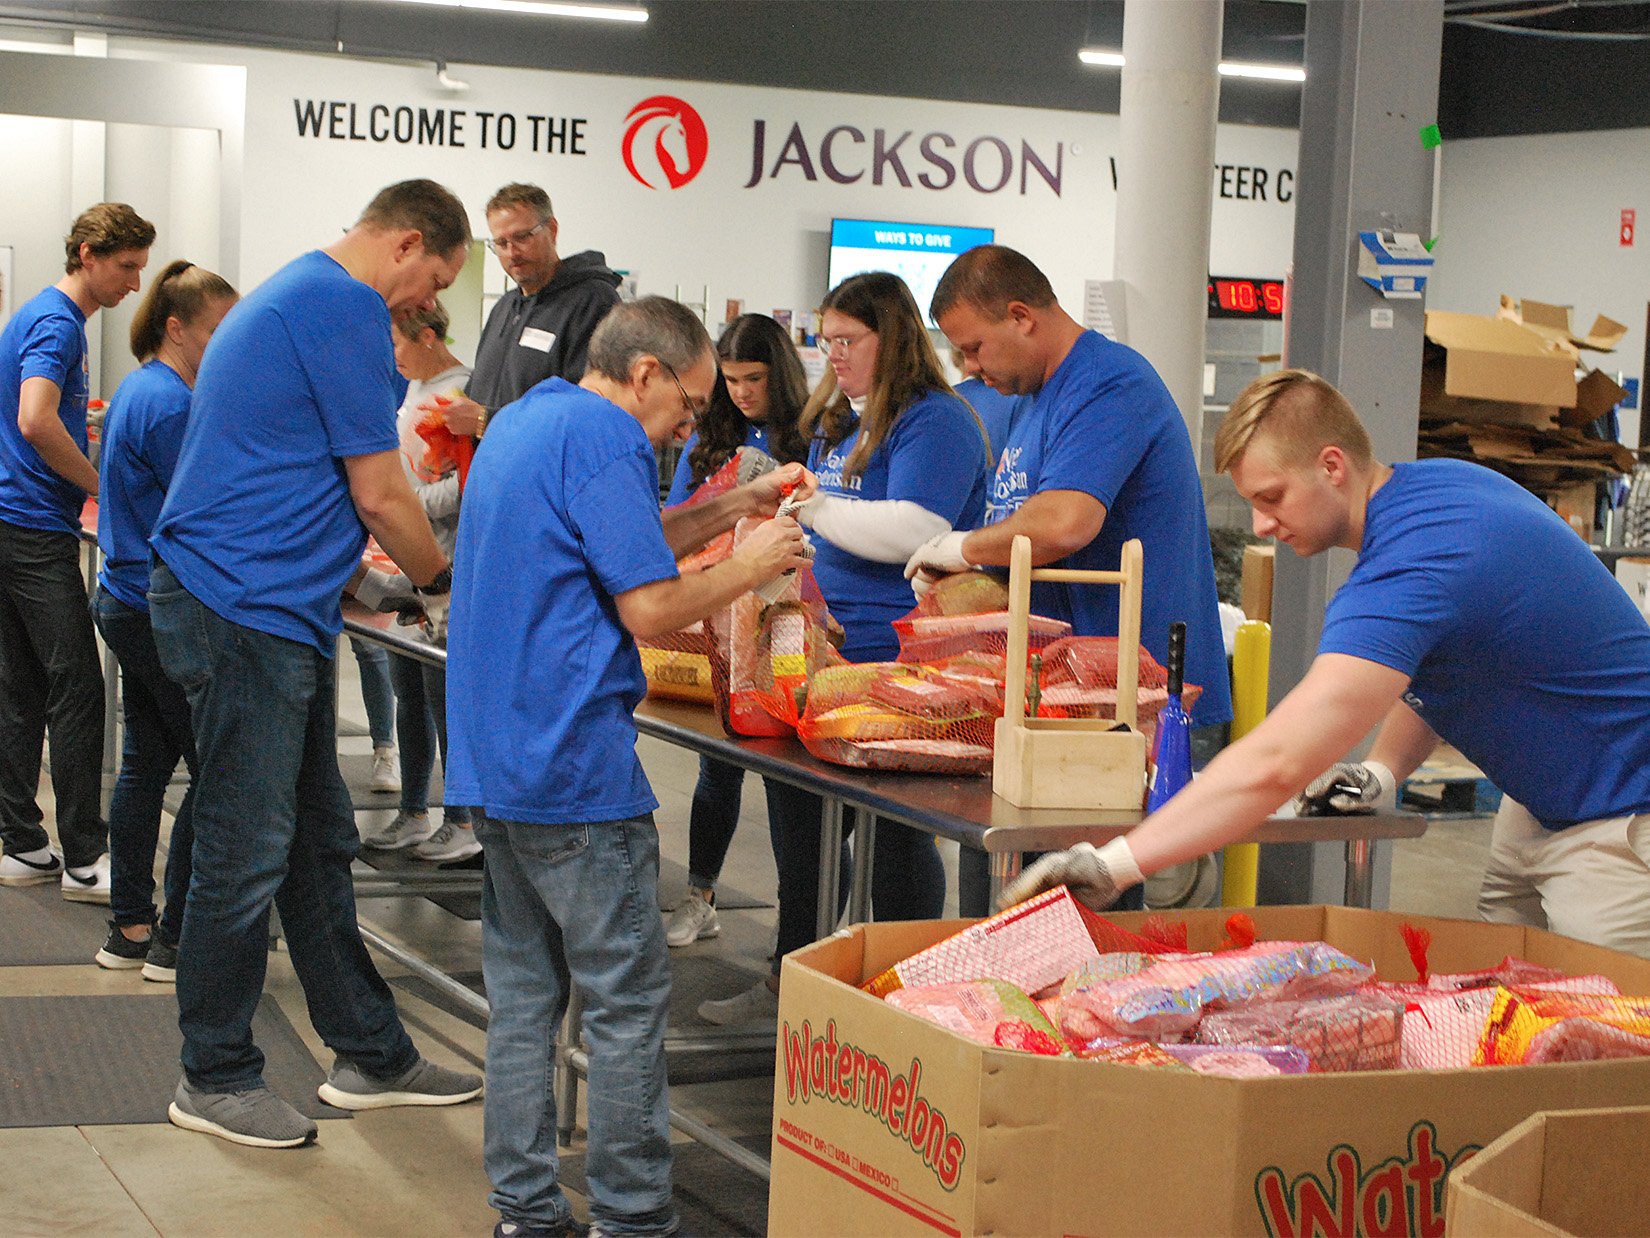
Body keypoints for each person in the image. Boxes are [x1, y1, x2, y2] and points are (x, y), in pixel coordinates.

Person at [1003, 369, 1650, 960]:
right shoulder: (1441, 491)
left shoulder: (1411, 566)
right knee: (1514, 1010)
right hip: (1547, 799)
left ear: (1332, 465)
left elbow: (1279, 762)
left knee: (1610, 1052)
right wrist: (1384, 770)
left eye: (1273, 497)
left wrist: (1115, 864)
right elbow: (1441, 667)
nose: (1259, 525)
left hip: (1622, 820)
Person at [443, 296, 811, 1238]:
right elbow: (649, 608)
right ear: (644, 373)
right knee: (624, 1005)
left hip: (497, 761)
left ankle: (526, 1211)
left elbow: (623, 545)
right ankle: (634, 1214)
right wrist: (760, 553)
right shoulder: (606, 437)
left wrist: (732, 507)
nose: (690, 425)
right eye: (686, 406)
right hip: (572, 765)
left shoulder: (530, 419)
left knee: (524, 1001)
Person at [148, 179, 483, 1149]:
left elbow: (302, 468)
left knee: (316, 840)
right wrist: (442, 585)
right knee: (244, 847)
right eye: (436, 280)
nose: (428, 303)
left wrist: (370, 579)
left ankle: (371, 1049)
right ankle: (212, 1072)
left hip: (263, 604)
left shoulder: (298, 292)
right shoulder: (338, 302)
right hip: (240, 608)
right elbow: (380, 491)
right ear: (410, 240)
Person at [698, 271, 991, 1026]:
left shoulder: (936, 421)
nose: (835, 357)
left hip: (898, 657)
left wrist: (818, 507)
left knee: (895, 838)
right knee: (800, 824)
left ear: (890, 337)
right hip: (818, 648)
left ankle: (903, 999)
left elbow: (916, 530)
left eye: (847, 342)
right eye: (827, 343)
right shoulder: (840, 418)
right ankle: (793, 981)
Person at [910, 244, 1233, 914]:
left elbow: (1063, 523)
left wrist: (965, 547)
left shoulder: (1110, 385)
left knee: (1085, 935)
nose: (970, 369)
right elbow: (1025, 538)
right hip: (1057, 701)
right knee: (1001, 913)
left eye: (974, 349)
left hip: (1125, 709)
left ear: (1023, 317)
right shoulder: (1031, 398)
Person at [0, 202, 155, 901]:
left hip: (16, 521)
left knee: (22, 686)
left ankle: (24, 844)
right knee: (78, 687)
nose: (133, 284)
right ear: (88, 254)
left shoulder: (43, 315)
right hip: (29, 527)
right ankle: (88, 857)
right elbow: (35, 418)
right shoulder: (58, 323)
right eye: (126, 267)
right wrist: (101, 489)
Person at [90, 260, 236, 980]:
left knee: (146, 767)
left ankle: (130, 927)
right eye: (216, 332)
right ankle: (176, 936)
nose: (226, 346)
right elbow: (203, 514)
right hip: (152, 606)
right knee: (215, 771)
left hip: (124, 596)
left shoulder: (140, 389)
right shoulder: (172, 405)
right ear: (176, 328)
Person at [662, 313, 810, 949]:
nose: (742, 390)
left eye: (754, 378)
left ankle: (795, 933)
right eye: (731, 380)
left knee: (787, 786)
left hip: (782, 615)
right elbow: (678, 516)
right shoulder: (709, 436)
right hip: (712, 609)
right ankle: (700, 895)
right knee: (716, 765)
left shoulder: (809, 433)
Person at [358, 299, 479, 863]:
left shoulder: (464, 393)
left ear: (427, 335)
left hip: (448, 563)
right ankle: (413, 808)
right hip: (408, 560)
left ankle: (462, 818)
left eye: (400, 346)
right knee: (408, 685)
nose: (393, 358)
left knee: (444, 693)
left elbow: (472, 484)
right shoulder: (410, 389)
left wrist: (407, 505)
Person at [431, 181, 621, 440]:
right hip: (490, 472)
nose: (512, 252)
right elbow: (480, 392)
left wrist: (485, 421)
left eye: (522, 237)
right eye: (501, 242)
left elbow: (585, 409)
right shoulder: (504, 308)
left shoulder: (593, 301)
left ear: (552, 230)